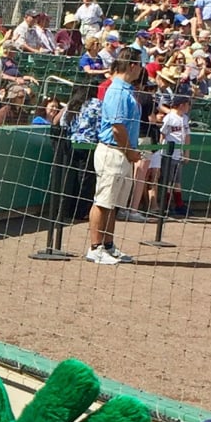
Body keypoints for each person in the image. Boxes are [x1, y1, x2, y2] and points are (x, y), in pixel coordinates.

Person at [86, 48, 144, 265]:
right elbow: (117, 127)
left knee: (114, 202)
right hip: (113, 150)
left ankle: (108, 245)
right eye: (139, 64)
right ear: (132, 65)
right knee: (103, 201)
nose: (140, 69)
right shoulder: (117, 91)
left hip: (122, 153)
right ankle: (95, 248)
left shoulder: (126, 90)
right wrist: (130, 151)